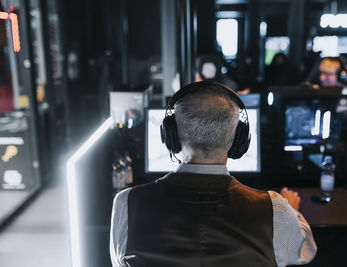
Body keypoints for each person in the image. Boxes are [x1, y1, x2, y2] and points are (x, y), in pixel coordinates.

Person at [110, 81, 317, 267]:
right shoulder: (273, 208)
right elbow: (304, 253)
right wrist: (293, 211)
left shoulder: (127, 203)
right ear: (239, 141)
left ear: (170, 136)